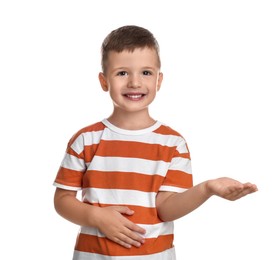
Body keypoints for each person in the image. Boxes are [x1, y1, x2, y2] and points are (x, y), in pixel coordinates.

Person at [53, 25, 258, 260]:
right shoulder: (85, 140)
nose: (134, 82)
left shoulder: (173, 144)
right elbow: (62, 200)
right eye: (122, 73)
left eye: (146, 73)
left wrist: (207, 188)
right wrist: (96, 217)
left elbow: (166, 208)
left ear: (159, 80)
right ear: (104, 81)